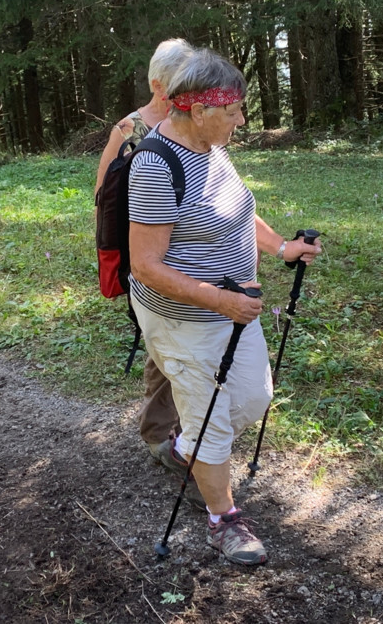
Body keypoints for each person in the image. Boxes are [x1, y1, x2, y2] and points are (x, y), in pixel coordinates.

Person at [127, 49, 321, 565]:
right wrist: (219, 299)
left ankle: (184, 448)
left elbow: (237, 210)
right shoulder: (156, 164)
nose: (241, 120)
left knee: (253, 398)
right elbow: (145, 266)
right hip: (183, 318)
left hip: (235, 307)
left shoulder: (210, 147)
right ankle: (223, 520)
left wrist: (282, 248)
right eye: (232, 111)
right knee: (210, 419)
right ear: (197, 110)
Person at [94, 38, 194, 461]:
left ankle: (191, 429)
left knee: (191, 340)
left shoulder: (195, 121)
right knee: (163, 344)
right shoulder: (128, 130)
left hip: (192, 249)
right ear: (157, 84)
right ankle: (158, 435)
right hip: (147, 255)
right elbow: (104, 198)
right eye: (182, 82)